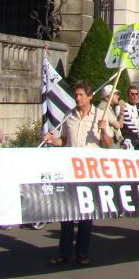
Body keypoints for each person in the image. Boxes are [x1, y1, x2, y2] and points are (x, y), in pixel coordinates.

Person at [44, 81, 115, 265]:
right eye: (76, 95)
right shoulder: (69, 115)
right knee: (66, 214)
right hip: (70, 170)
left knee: (85, 216)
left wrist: (102, 132)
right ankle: (64, 252)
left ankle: (82, 253)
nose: (77, 98)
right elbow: (64, 140)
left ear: (90, 96)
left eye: (81, 95)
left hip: (90, 172)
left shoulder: (100, 115)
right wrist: (53, 140)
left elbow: (108, 145)